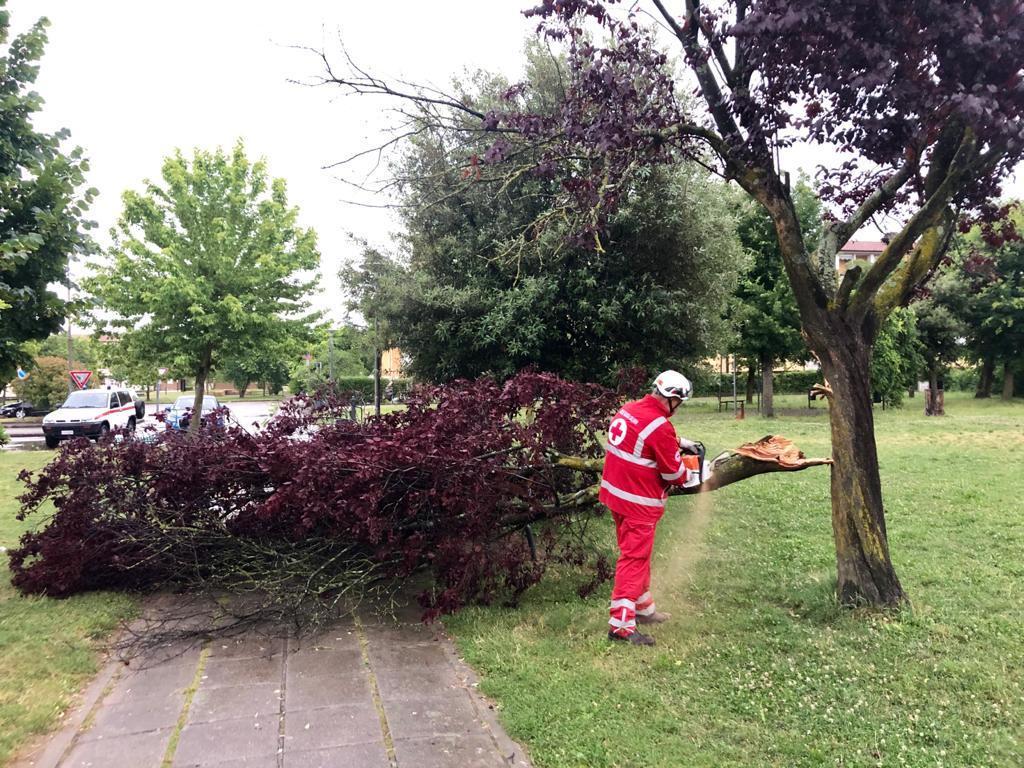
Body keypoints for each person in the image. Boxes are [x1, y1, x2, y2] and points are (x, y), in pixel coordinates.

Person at [600, 369, 703, 646]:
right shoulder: (659, 426)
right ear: (673, 398)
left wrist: (680, 442)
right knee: (633, 559)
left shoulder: (629, 410)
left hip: (615, 495)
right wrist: (691, 475)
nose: (678, 408)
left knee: (637, 554)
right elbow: (674, 475)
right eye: (679, 403)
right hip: (638, 503)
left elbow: (643, 436)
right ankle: (621, 625)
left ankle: (643, 608)